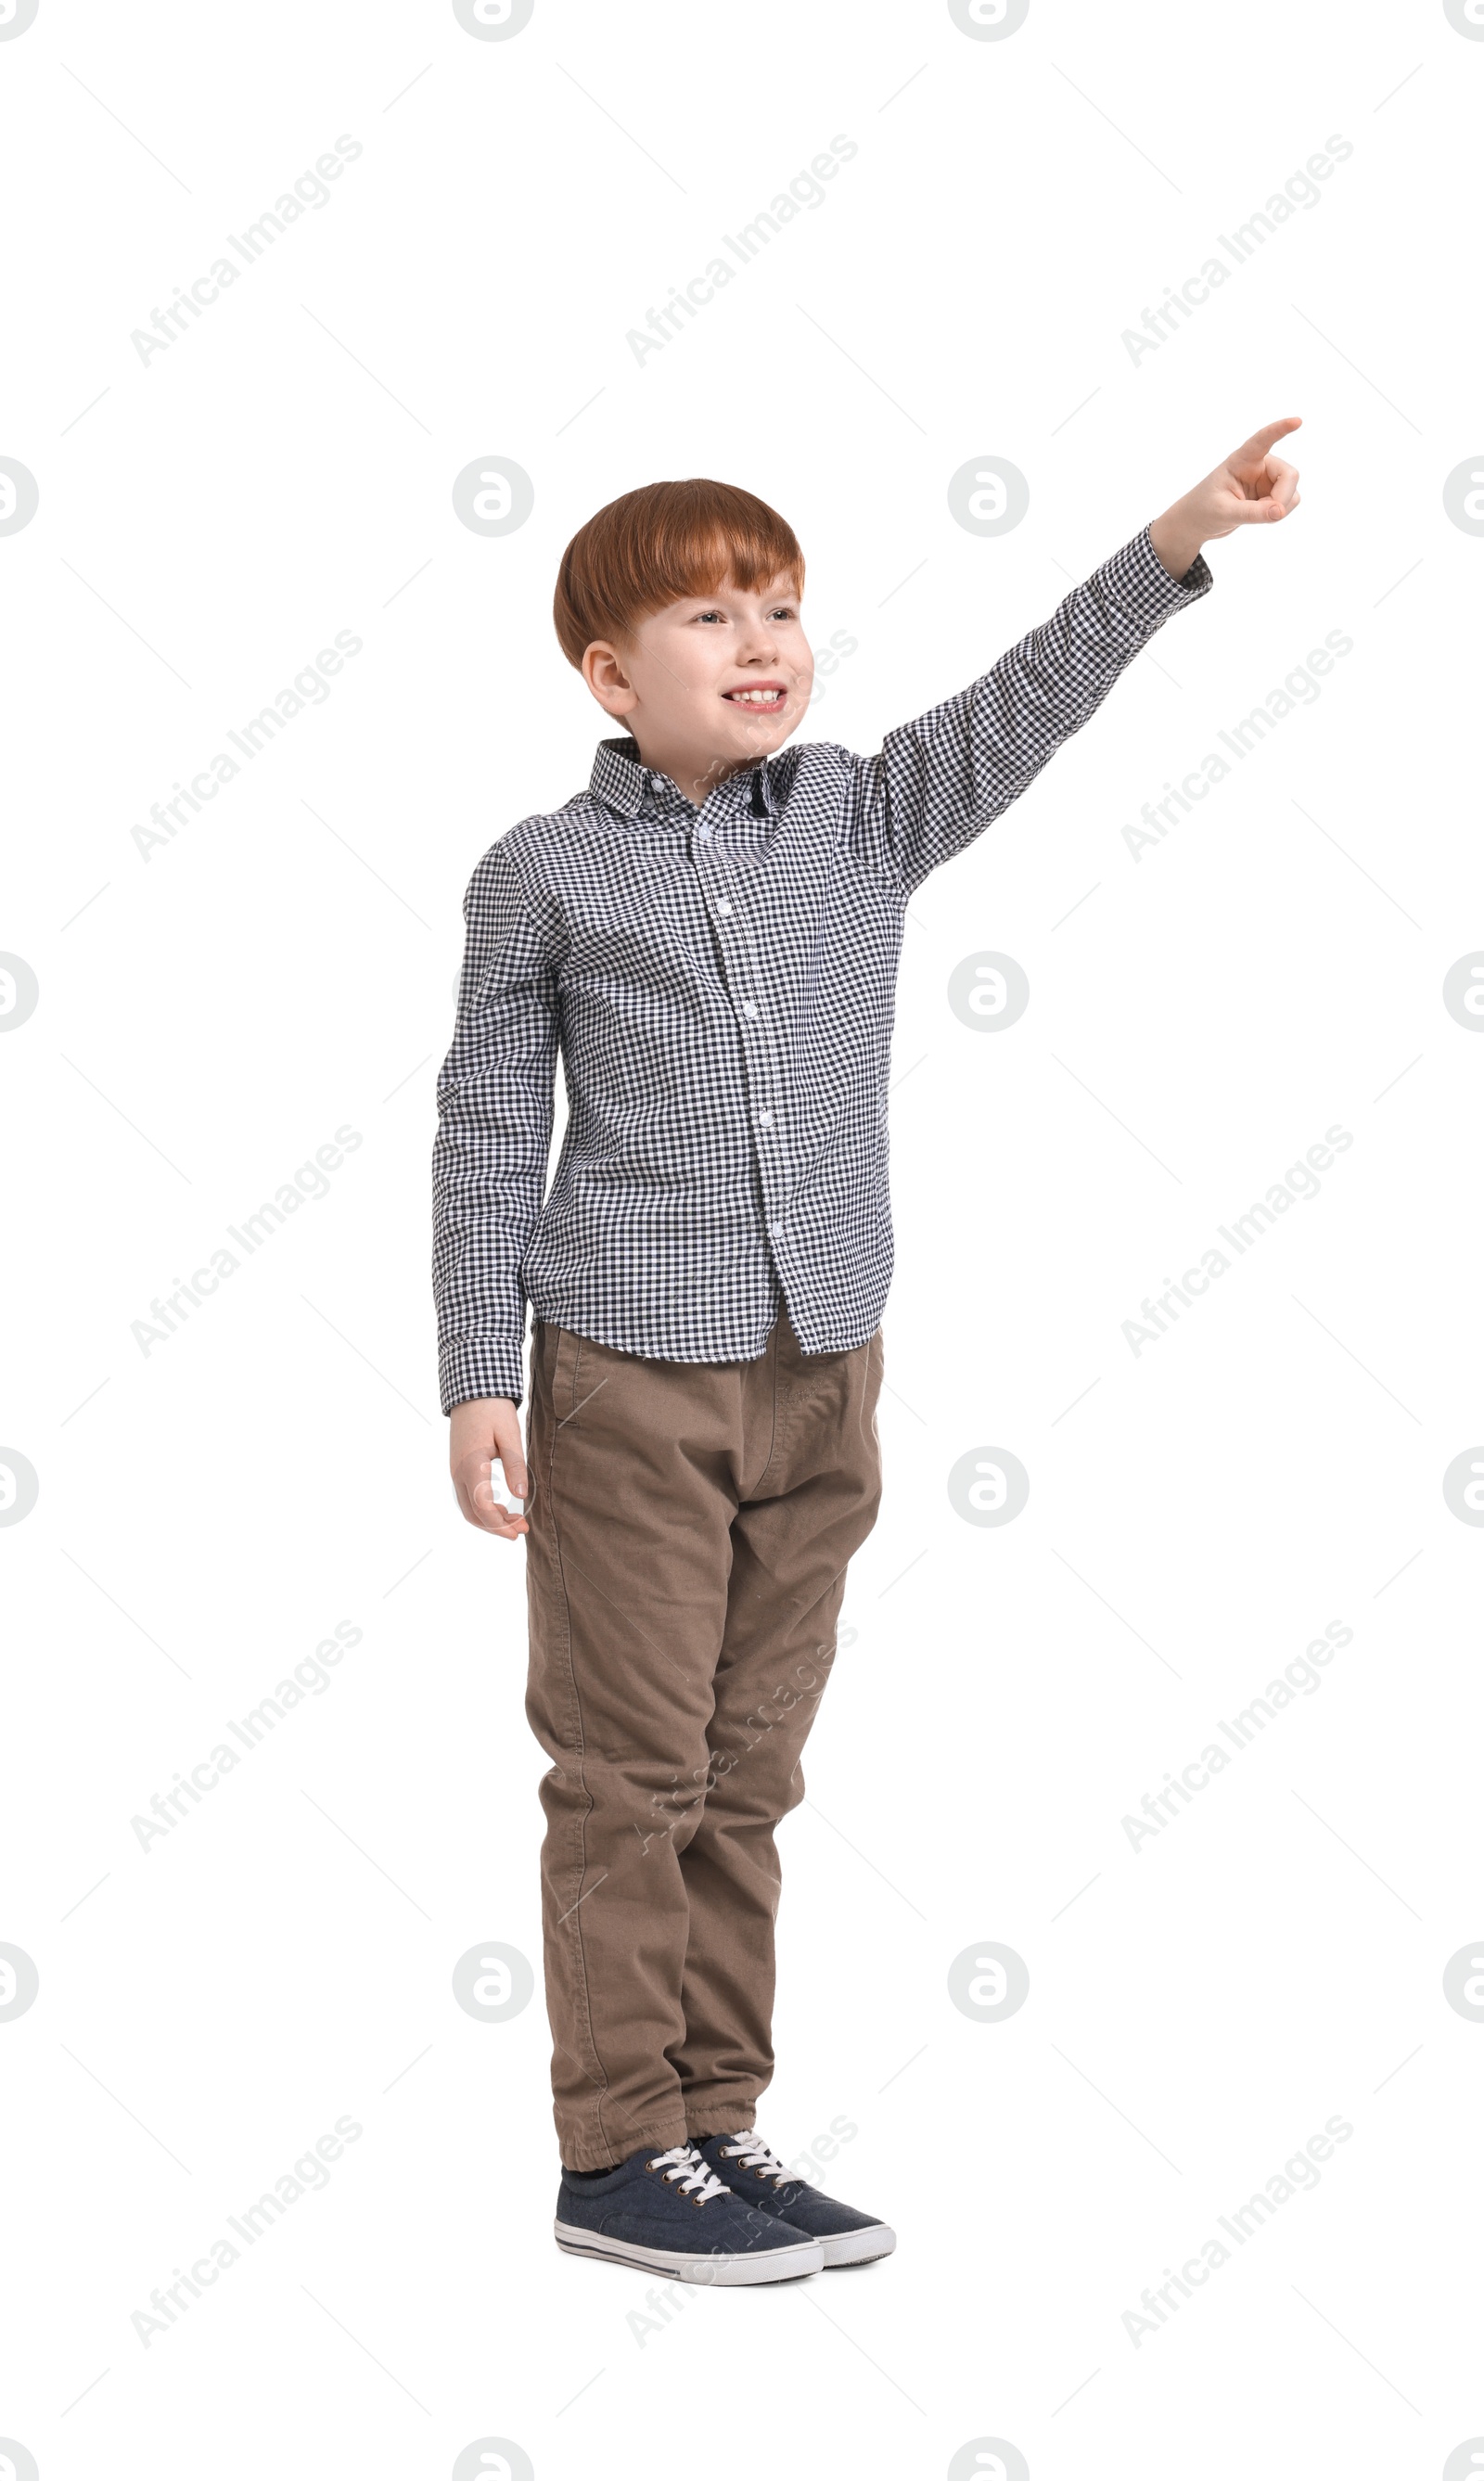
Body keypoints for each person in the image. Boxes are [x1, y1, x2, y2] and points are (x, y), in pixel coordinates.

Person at [432, 420, 1302, 2283]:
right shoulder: (540, 876)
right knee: (629, 1772)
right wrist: (474, 1372)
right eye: (706, 616)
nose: (760, 640)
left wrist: (1170, 539)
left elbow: (1029, 696)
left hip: (824, 1358)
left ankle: (713, 2124)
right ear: (606, 673)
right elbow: (489, 1124)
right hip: (629, 1372)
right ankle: (613, 2151)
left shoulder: (855, 813)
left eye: (780, 605)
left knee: (748, 1770)